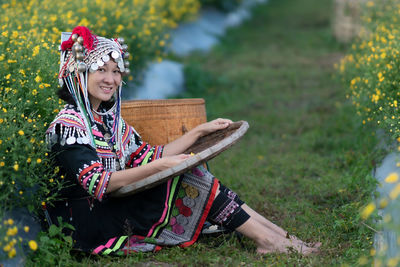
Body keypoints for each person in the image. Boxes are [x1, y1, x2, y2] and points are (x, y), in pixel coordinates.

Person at [45, 26, 319, 256]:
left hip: (113, 205)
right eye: (101, 70)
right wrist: (160, 167)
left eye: (116, 71)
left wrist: (198, 132)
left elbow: (147, 156)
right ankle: (271, 241)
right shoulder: (68, 127)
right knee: (189, 178)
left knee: (194, 172)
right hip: (87, 223)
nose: (111, 79)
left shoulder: (108, 120)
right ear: (79, 73)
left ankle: (280, 237)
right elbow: (99, 183)